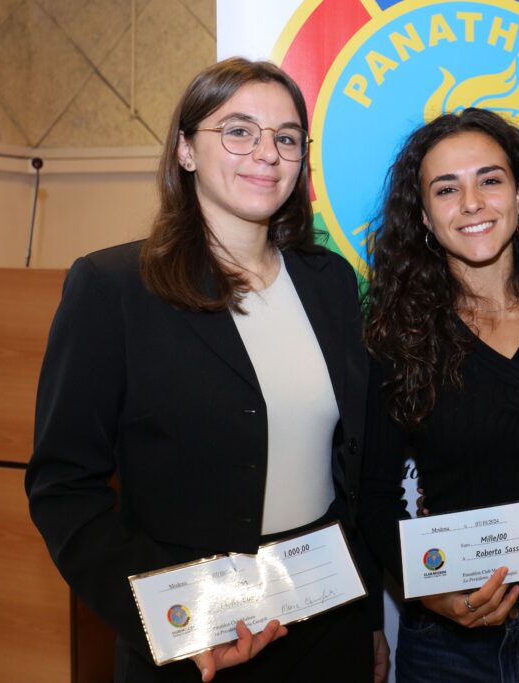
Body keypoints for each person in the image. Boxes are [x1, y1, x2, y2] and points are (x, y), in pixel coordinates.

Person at [25, 58, 387, 683]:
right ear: (187, 149)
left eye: (286, 137)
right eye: (239, 130)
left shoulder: (329, 284)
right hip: (198, 635)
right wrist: (166, 621)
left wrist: (373, 615)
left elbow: (356, 467)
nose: (266, 153)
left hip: (330, 622)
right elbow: (63, 487)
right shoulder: (114, 289)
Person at [360, 107, 519, 682]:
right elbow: (372, 495)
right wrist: (430, 592)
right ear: (423, 216)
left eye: (489, 180)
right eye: (447, 189)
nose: (471, 202)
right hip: (448, 637)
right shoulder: (397, 335)